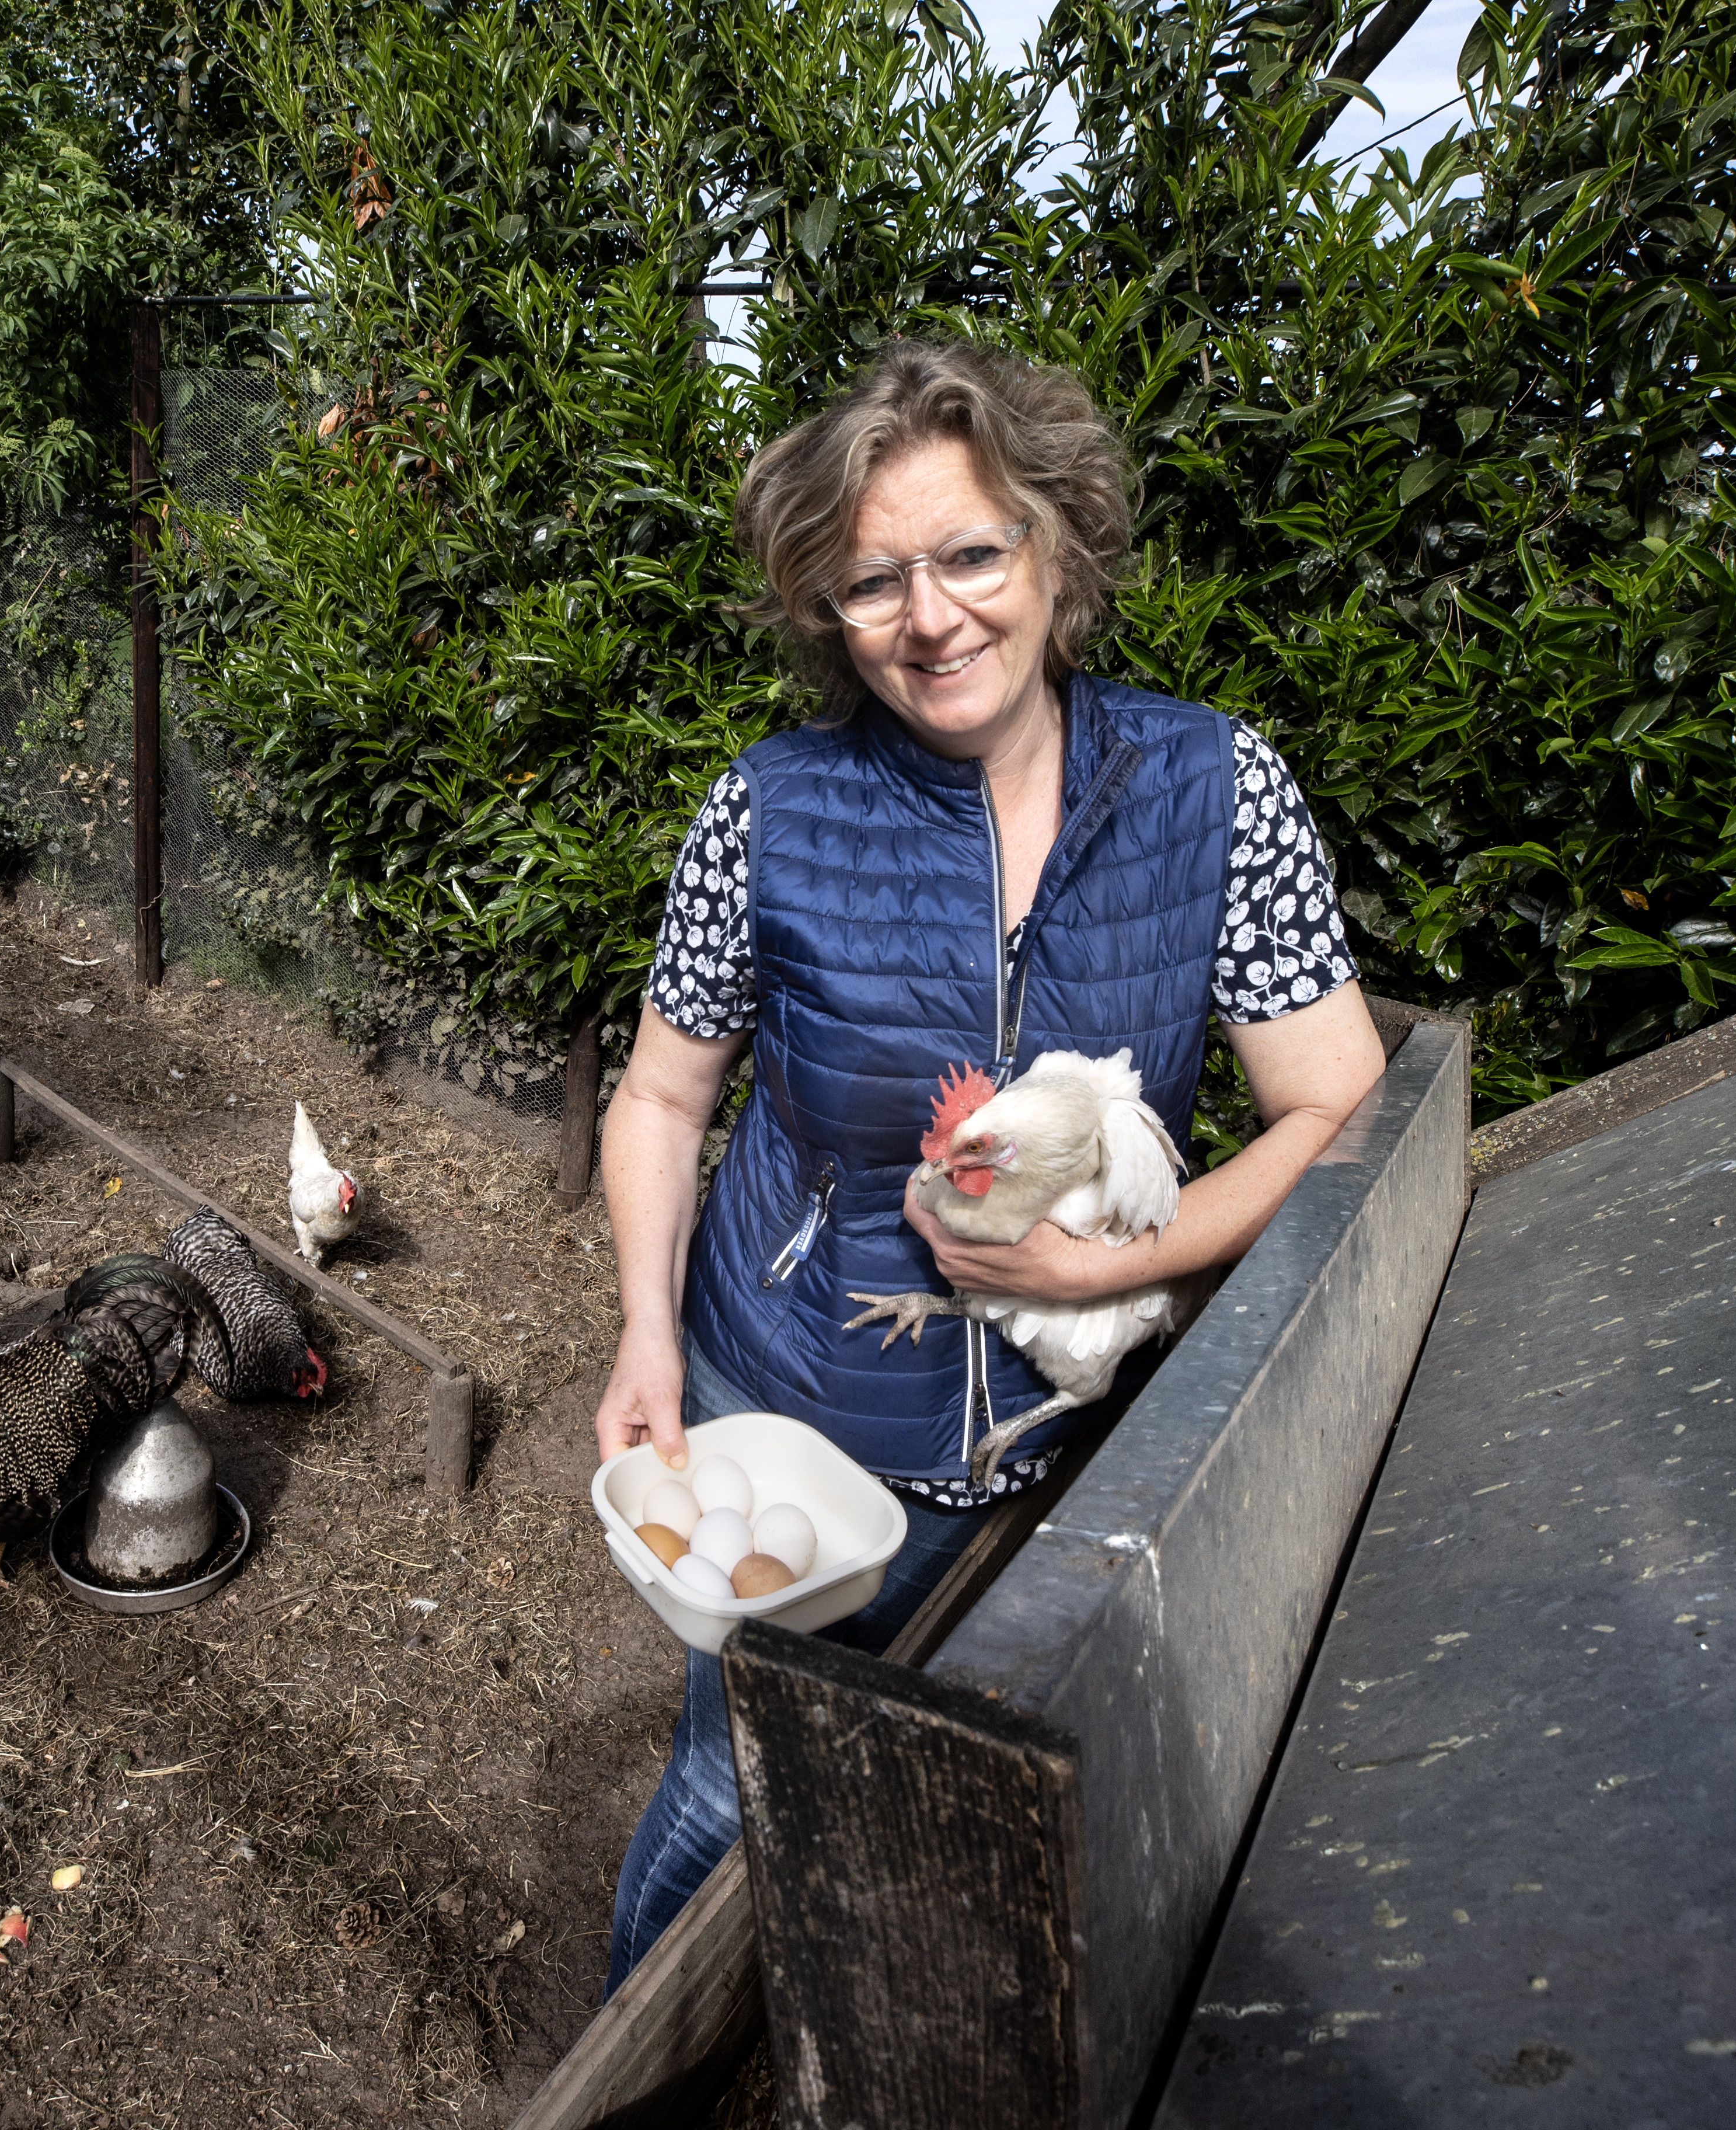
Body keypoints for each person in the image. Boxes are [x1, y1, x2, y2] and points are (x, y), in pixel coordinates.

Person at [591, 337, 1388, 1991]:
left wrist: (1120, 1269)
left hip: (1064, 1451)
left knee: (955, 1842)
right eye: (873, 581)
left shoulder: (1215, 788)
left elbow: (1336, 1106)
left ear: (1055, 549)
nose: (930, 616)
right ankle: (630, 2071)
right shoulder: (773, 811)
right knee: (725, 1798)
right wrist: (648, 1336)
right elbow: (664, 1100)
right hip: (798, 1421)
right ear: (830, 609)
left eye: (968, 555)